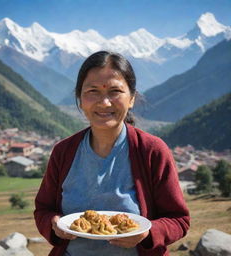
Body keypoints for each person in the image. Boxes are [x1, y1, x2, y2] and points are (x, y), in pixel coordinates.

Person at [34, 51, 190, 256]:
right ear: (80, 99)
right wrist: (53, 224)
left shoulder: (152, 151)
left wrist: (148, 233)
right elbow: (43, 210)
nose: (105, 102)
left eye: (115, 91)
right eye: (93, 91)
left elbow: (179, 220)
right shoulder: (64, 152)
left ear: (132, 98)